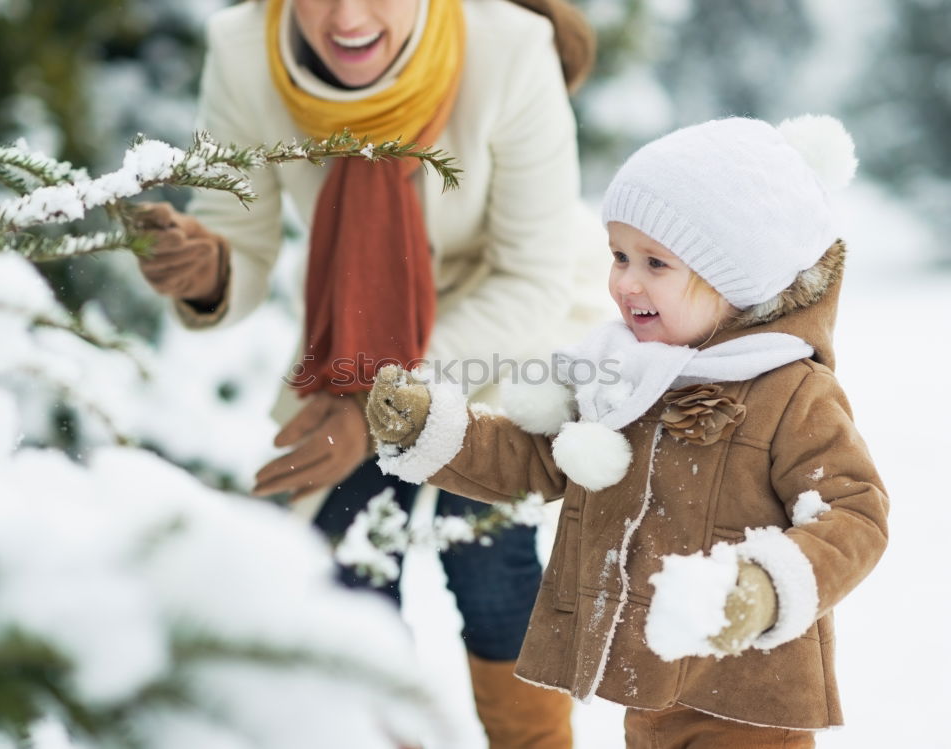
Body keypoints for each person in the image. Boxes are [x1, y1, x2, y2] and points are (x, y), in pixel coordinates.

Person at [133, 0, 611, 745]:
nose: (347, 15)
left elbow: (530, 281)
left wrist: (378, 410)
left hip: (503, 331)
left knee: (483, 550)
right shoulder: (241, 50)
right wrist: (210, 268)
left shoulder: (513, 49)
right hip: (354, 328)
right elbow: (241, 236)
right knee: (344, 565)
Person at [365, 115, 890, 747]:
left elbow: (855, 514)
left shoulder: (790, 390)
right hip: (651, 684)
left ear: (737, 276)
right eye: (618, 256)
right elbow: (535, 460)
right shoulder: (624, 373)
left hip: (752, 696)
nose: (625, 283)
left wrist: (764, 587)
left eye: (654, 263)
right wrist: (433, 429)